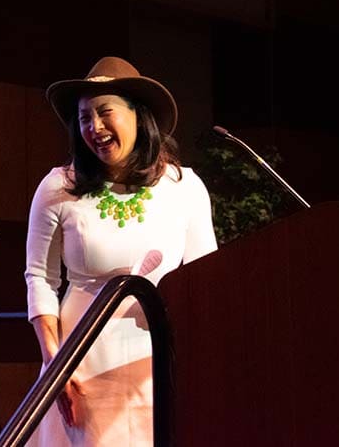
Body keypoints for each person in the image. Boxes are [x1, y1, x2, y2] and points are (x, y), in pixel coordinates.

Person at [25, 56, 217, 446]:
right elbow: (40, 279)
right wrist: (55, 366)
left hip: (158, 360)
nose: (93, 128)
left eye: (104, 112)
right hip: (82, 363)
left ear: (138, 115)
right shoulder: (58, 187)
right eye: (83, 118)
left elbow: (205, 279)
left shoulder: (184, 187)